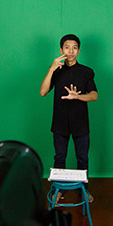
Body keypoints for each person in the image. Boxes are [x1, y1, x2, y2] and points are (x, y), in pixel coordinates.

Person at [39, 34, 98, 201]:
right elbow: (43, 92)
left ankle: (83, 190)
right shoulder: (56, 71)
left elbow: (94, 95)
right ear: (61, 50)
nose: (70, 51)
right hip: (59, 123)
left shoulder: (86, 72)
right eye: (66, 47)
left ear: (79, 51)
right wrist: (51, 69)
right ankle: (58, 190)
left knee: (82, 159)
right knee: (59, 158)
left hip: (81, 124)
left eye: (74, 48)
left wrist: (78, 97)